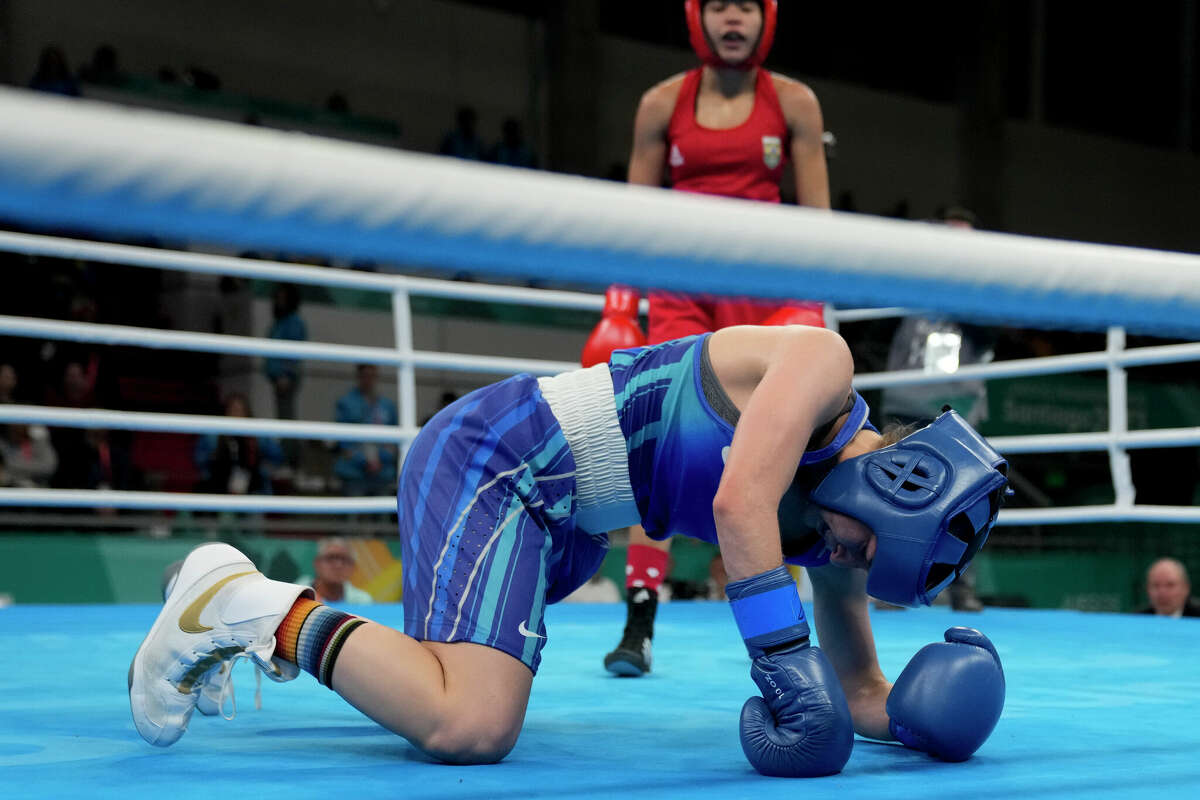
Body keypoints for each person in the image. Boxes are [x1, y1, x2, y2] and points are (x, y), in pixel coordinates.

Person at [130, 325, 1009, 776]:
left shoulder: (826, 528)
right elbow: (739, 501)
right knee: (468, 722)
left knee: (446, 693)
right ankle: (246, 606)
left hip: (563, 526)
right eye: (867, 553)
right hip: (503, 455)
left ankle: (212, 591)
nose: (849, 565)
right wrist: (782, 663)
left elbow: (855, 688)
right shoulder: (823, 364)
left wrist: (918, 720)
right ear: (903, 483)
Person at [597, 0, 829, 676]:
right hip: (681, 287)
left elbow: (820, 222)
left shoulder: (794, 103)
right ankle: (639, 621)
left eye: (746, 6)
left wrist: (808, 318)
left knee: (800, 448)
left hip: (771, 284)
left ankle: (795, 631)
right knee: (660, 446)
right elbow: (632, 217)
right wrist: (620, 303)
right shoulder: (660, 104)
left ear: (768, 18)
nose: (735, 19)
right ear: (700, 15)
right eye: (721, 4)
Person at [193, 393, 284, 495]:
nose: (237, 415)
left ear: (247, 413)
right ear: (226, 412)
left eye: (241, 411)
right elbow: (200, 461)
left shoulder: (258, 435)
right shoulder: (213, 435)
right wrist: (213, 460)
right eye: (233, 410)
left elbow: (278, 457)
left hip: (251, 487)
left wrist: (262, 468)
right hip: (220, 486)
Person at [333, 364, 398, 496]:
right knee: (353, 513)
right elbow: (341, 438)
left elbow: (394, 438)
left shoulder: (387, 405)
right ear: (358, 377)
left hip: (383, 471)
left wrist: (380, 459)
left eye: (372, 376)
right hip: (353, 471)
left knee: (383, 513)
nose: (368, 380)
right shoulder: (346, 403)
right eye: (365, 376)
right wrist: (363, 460)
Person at [302, 538, 374, 605]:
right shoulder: (297, 594)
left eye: (344, 559)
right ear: (317, 564)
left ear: (353, 567)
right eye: (331, 558)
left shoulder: (363, 601)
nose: (338, 565)